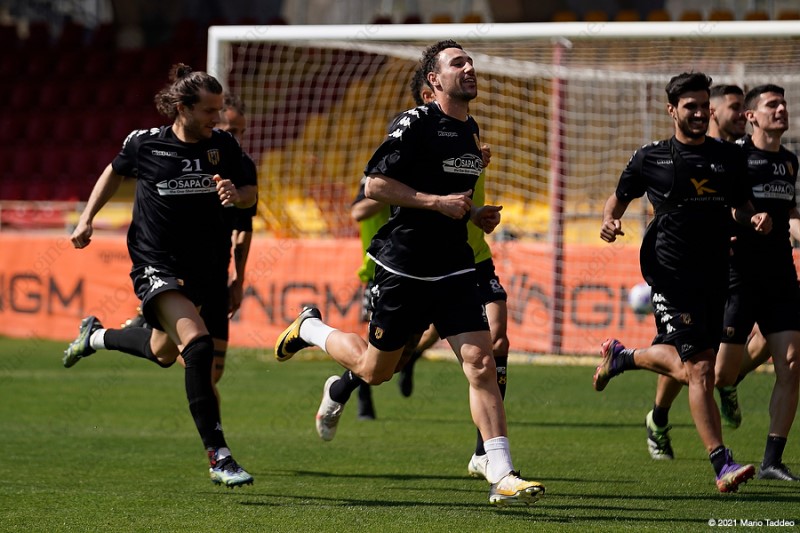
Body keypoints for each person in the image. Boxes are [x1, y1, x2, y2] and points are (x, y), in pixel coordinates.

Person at [274, 40, 544, 506]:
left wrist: (473, 213)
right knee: (375, 370)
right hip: (406, 267)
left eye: (470, 60)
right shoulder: (415, 121)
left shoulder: (470, 129)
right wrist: (437, 203)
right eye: (457, 62)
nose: (469, 66)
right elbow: (374, 184)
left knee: (481, 362)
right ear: (434, 80)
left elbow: (449, 195)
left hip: (455, 266)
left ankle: (501, 472)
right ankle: (311, 328)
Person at [62, 64, 257, 487]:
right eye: (209, 110)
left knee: (163, 352)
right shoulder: (145, 143)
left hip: (207, 268)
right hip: (156, 263)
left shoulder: (223, 146)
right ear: (182, 108)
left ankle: (95, 337)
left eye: (219, 109)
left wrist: (237, 194)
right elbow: (113, 171)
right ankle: (219, 456)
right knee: (198, 346)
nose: (217, 118)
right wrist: (87, 218)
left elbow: (250, 193)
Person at [594, 72, 771, 493]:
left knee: (698, 370)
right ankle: (722, 463)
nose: (698, 113)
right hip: (669, 275)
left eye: (703, 105)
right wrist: (609, 221)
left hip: (716, 275)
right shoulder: (650, 157)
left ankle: (623, 357)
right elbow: (617, 200)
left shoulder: (727, 157)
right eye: (690, 106)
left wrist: (755, 217)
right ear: (672, 110)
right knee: (700, 369)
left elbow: (741, 206)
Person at [118, 92, 258, 409]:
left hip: (216, 274)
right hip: (182, 273)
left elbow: (243, 227)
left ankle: (103, 335)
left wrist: (238, 280)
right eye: (230, 129)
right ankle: (217, 443)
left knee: (199, 367)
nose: (236, 137)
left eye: (241, 131)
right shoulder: (179, 157)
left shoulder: (242, 167)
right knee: (200, 360)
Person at [643, 84, 749, 460]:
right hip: (684, 272)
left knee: (708, 356)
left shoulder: (739, 154)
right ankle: (663, 416)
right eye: (734, 107)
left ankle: (727, 381)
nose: (742, 114)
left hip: (734, 264)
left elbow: (743, 203)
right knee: (695, 361)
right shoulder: (674, 156)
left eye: (745, 107)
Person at [716, 84, 800, 481]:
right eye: (772, 104)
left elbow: (791, 214)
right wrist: (745, 219)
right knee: (720, 374)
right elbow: (720, 206)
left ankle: (771, 461)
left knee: (792, 363)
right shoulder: (734, 157)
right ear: (751, 116)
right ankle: (627, 358)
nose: (781, 109)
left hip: (781, 273)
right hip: (740, 273)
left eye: (783, 103)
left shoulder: (789, 161)